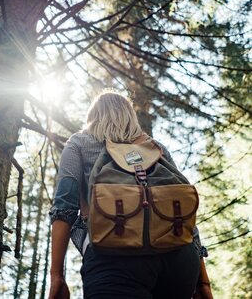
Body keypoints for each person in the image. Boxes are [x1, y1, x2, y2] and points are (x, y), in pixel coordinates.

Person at [49, 91, 213, 299]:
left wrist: (57, 276)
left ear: (93, 117)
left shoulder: (79, 143)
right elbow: (185, 217)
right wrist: (203, 282)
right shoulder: (156, 148)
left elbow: (64, 208)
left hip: (112, 258)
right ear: (130, 116)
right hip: (179, 259)